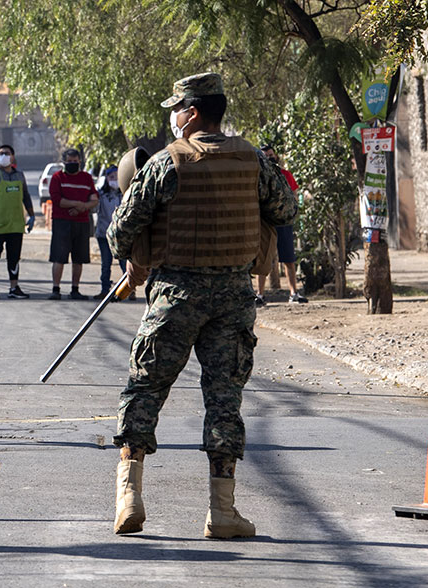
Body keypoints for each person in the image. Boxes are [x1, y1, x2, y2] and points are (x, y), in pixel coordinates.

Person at [107, 73, 297, 538]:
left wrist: (133, 257)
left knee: (145, 389)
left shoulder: (167, 163)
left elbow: (121, 228)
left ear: (191, 114)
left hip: (174, 296)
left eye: (177, 108)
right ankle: (223, 512)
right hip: (233, 299)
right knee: (224, 401)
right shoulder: (252, 160)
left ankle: (129, 497)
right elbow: (286, 211)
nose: (173, 116)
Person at [0, 144, 35, 299]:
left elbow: (26, 196)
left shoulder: (19, 175)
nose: (3, 156)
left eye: (7, 153)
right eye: (1, 153)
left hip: (16, 224)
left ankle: (14, 287)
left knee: (14, 256)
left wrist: (31, 215)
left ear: (13, 156)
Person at [256, 144, 308, 306]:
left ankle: (293, 293)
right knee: (263, 260)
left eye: (271, 155)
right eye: (266, 155)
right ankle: (259, 294)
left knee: (288, 259)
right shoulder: (258, 177)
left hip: (283, 221)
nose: (270, 157)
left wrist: (291, 213)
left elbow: (294, 195)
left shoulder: (286, 175)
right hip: (265, 223)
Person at [48, 148, 98, 300]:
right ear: (63, 162)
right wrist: (78, 204)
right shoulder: (57, 178)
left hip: (81, 223)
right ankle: (56, 289)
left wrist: (82, 207)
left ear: (80, 162)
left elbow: (94, 199)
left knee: (79, 258)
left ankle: (75, 289)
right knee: (59, 257)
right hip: (62, 222)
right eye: (69, 161)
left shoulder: (86, 178)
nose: (72, 164)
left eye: (75, 161)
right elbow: (57, 200)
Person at [94, 165, 127, 299]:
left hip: (121, 235)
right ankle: (105, 289)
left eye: (116, 177)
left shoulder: (125, 195)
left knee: (124, 263)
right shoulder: (101, 195)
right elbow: (94, 209)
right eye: (111, 177)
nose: (114, 180)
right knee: (106, 263)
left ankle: (128, 290)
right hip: (104, 234)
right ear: (106, 178)